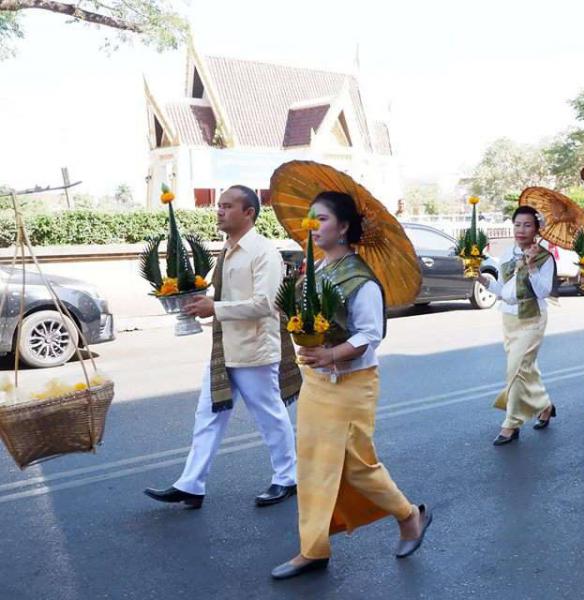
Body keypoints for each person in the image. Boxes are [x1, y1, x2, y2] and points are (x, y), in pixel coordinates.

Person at [271, 191, 431, 580]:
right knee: (312, 465)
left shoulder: (360, 278)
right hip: (317, 382)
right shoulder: (316, 269)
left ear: (343, 227)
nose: (313, 225)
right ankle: (313, 548)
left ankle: (409, 515)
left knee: (358, 466)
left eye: (322, 219)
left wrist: (330, 354)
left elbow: (370, 335)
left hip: (352, 382)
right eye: (310, 218)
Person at [144, 185, 300, 509]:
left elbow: (265, 304)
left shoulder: (263, 252)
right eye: (219, 205)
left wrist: (214, 308)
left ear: (249, 213)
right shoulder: (227, 250)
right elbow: (231, 297)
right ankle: (191, 484)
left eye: (228, 206)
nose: (219, 211)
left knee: (270, 417)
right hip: (225, 350)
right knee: (208, 416)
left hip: (254, 351)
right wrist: (205, 301)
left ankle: (287, 478)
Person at [478, 206, 556, 446]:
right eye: (517, 224)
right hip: (510, 318)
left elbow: (543, 291)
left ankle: (511, 423)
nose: (521, 230)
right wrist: (480, 279)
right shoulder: (506, 254)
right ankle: (545, 405)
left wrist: (531, 266)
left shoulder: (545, 258)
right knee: (526, 369)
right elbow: (502, 290)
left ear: (537, 229)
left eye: (527, 225)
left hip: (533, 318)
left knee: (516, 369)